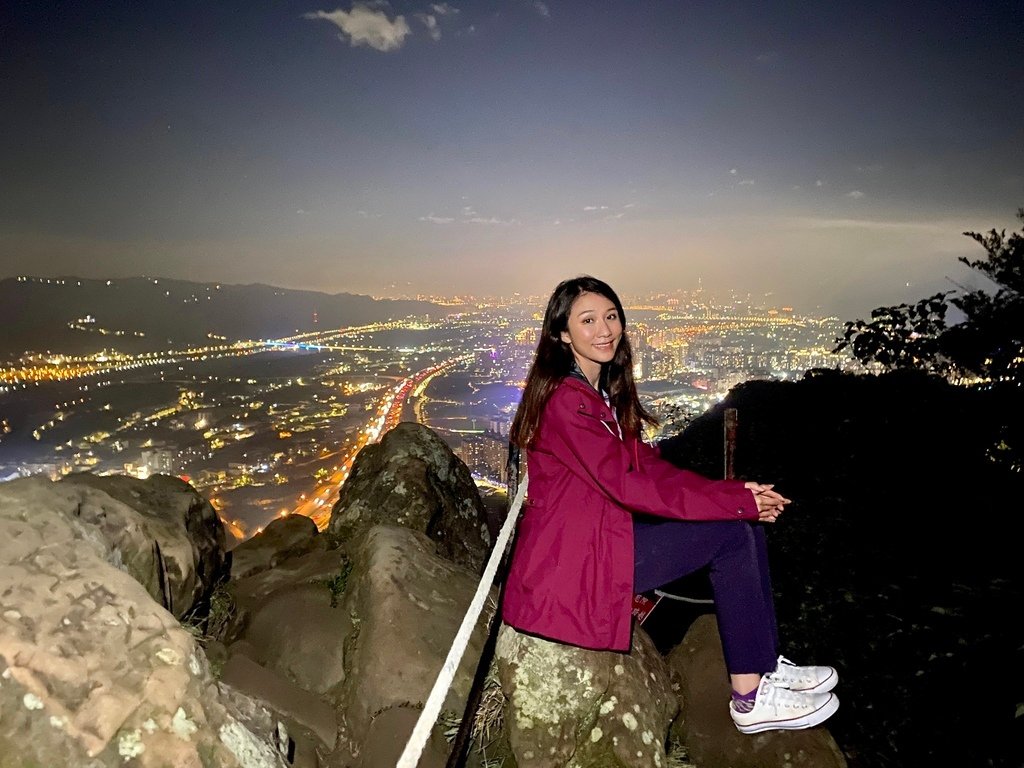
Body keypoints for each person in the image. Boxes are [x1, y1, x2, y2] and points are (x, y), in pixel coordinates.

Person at [501, 275, 839, 734]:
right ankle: (749, 699)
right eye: (588, 320)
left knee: (741, 525)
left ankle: (764, 667)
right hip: (576, 564)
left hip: (600, 542)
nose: (605, 329)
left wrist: (737, 496)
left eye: (611, 316)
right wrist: (734, 503)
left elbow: (650, 469)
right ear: (562, 334)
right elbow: (628, 485)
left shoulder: (597, 395)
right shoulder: (567, 402)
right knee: (732, 534)